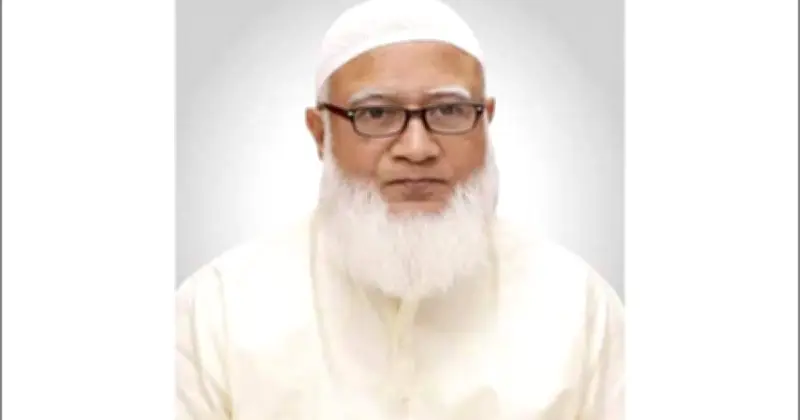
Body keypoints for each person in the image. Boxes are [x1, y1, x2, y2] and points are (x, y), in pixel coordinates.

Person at [175, 0, 625, 418]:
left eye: (448, 111)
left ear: (486, 122)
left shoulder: (578, 308)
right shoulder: (217, 313)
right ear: (320, 133)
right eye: (376, 115)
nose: (417, 148)